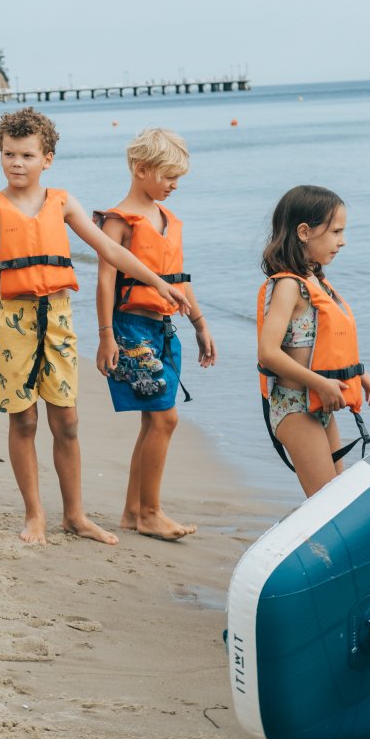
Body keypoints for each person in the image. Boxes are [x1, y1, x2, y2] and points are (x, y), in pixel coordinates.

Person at [0, 107, 191, 546]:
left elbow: (112, 251)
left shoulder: (62, 202)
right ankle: (35, 515)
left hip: (58, 319)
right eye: (9, 154)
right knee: (24, 422)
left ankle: (75, 516)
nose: (17, 163)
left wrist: (158, 285)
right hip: (13, 321)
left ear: (46, 159)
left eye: (27, 155)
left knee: (67, 422)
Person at [94, 128, 216, 541]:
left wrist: (199, 323)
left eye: (179, 178)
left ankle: (133, 512)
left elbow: (179, 278)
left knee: (153, 422)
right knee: (165, 418)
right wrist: (106, 335)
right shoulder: (118, 222)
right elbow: (105, 282)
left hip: (165, 329)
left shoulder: (168, 220)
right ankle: (150, 512)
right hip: (131, 329)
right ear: (141, 169)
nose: (174, 185)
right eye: (168, 176)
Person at [257, 185, 370, 497]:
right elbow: (268, 353)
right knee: (326, 506)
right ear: (304, 231)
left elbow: (321, 342)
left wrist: (357, 373)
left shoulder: (318, 282)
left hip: (317, 404)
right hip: (295, 407)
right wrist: (321, 383)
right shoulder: (288, 285)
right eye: (336, 231)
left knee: (338, 501)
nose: (342, 241)